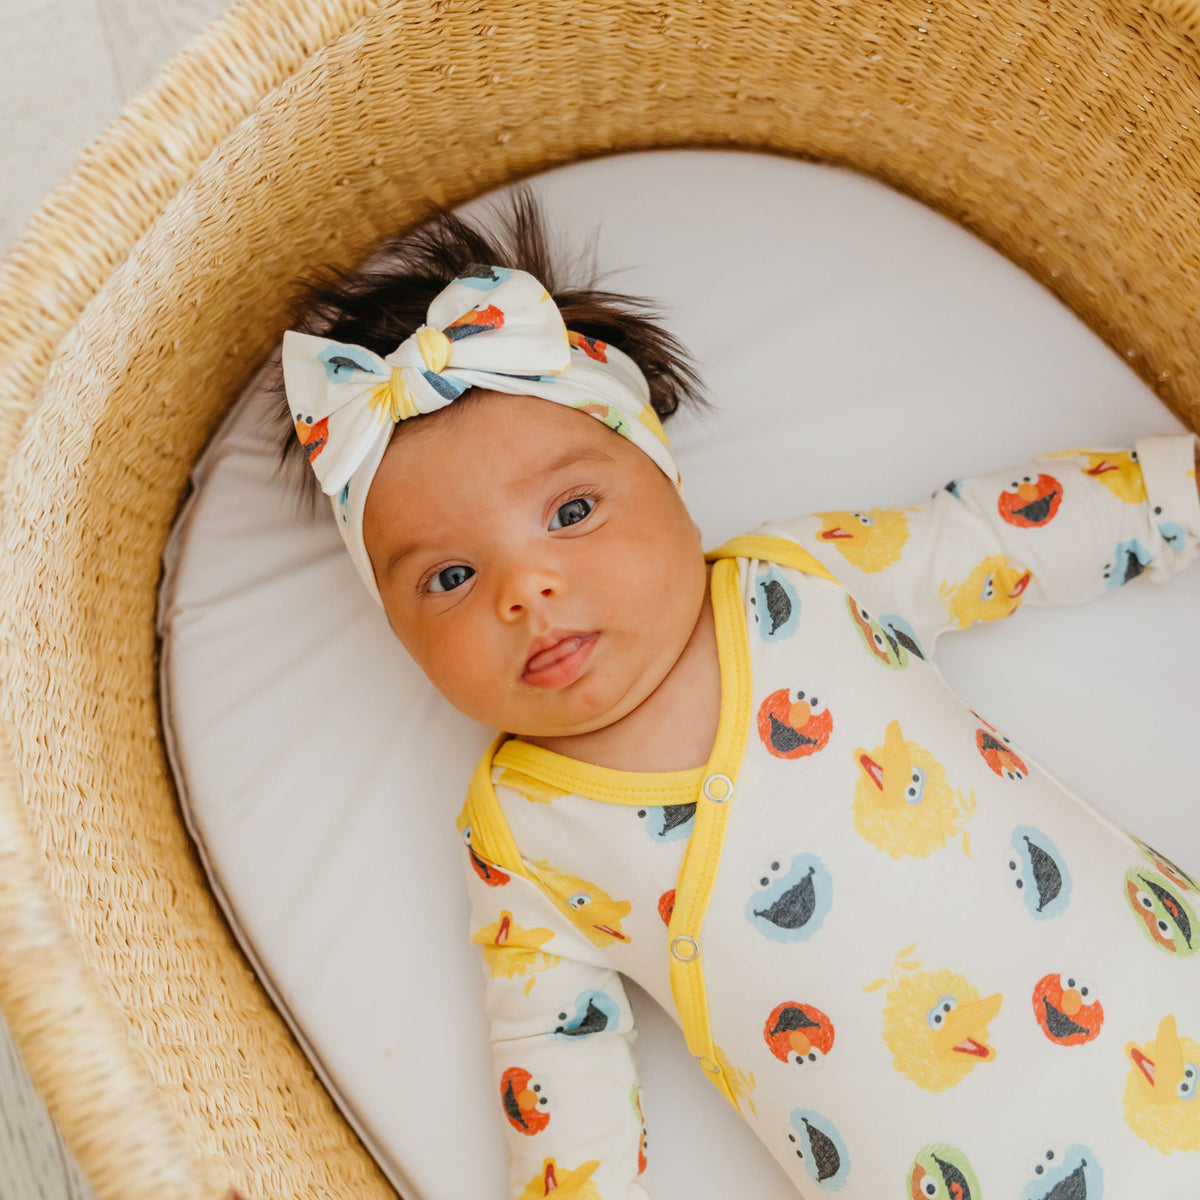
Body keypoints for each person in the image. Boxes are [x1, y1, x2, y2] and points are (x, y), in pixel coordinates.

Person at [275, 187, 1200, 1198]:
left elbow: (995, 537)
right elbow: (554, 1064)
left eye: (572, 510)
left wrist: (1170, 498)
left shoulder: (804, 581)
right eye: (449, 579)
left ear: (668, 480)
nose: (523, 590)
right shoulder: (523, 836)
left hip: (1160, 1008)